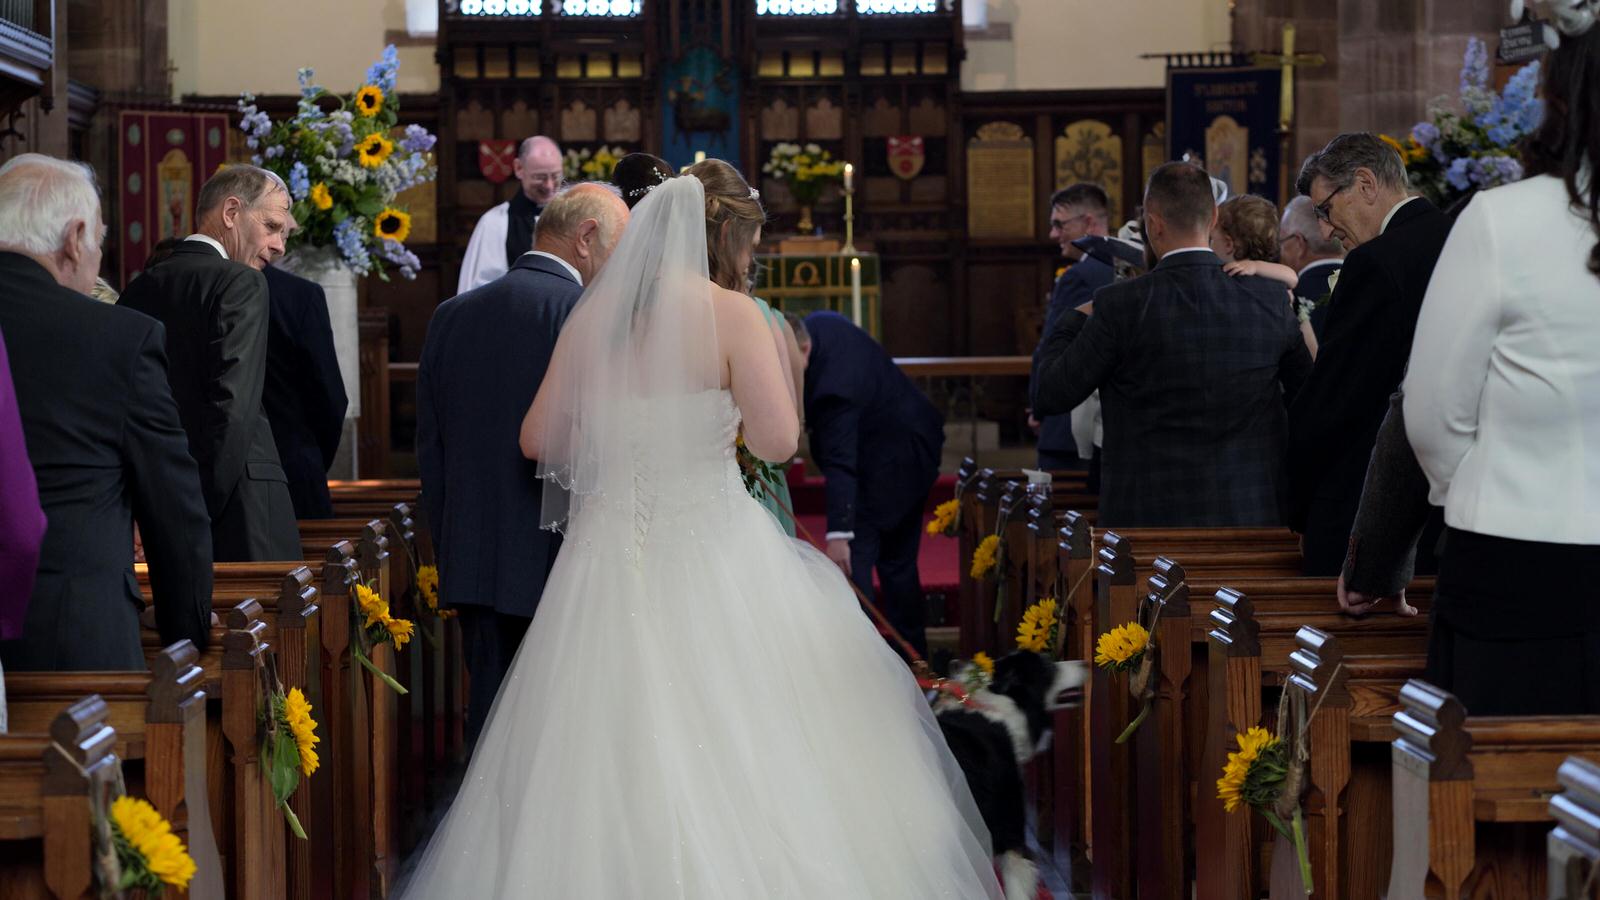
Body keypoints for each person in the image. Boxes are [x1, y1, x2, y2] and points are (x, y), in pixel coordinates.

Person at [396, 161, 1001, 899]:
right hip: (713, 542)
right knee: (753, 733)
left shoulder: (596, 315)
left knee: (589, 740)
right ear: (724, 238)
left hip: (606, 556)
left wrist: (619, 442)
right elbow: (779, 444)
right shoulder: (735, 316)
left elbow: (537, 439)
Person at [1385, 12, 1600, 715]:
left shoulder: (1502, 219)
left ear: (1559, 98)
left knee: (1503, 793)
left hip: (1518, 553)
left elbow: (1433, 410)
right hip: (1518, 556)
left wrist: (1479, 487)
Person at [417, 183, 630, 746]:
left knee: (489, 727)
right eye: (619, 247)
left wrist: (452, 545)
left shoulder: (450, 315)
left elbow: (431, 452)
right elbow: (601, 445)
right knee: (557, 736)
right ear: (586, 238)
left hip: (472, 558)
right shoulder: (585, 315)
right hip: (561, 558)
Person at [0, 154, 212, 671]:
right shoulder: (118, 336)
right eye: (98, 240)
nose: (96, 255)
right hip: (73, 642)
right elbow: (174, 509)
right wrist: (189, 638)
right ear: (74, 238)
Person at [1033, 162, 1312, 527]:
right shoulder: (1270, 300)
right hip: (1248, 517)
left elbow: (1050, 393)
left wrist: (1074, 317)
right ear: (1213, 216)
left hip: (1146, 531)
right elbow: (1309, 399)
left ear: (1153, 223)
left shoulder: (1118, 306)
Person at [1285, 133, 1451, 576]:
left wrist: (1295, 503)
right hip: (1443, 514)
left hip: (1367, 516)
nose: (1325, 229)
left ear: (1365, 184)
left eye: (1325, 209)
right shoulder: (1458, 239)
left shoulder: (1375, 263)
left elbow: (1335, 401)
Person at [120, 165, 301, 562]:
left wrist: (150, 510)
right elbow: (231, 411)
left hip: (153, 505)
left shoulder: (139, 288)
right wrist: (188, 512)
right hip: (236, 513)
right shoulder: (243, 283)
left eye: (284, 234)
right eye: (272, 226)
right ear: (231, 213)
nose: (279, 246)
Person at [796, 311, 945, 656]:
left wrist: (838, 535)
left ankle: (864, 661)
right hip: (912, 444)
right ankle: (912, 657)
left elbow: (840, 462)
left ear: (802, 350)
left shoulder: (833, 388)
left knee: (855, 563)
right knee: (898, 564)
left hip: (893, 463)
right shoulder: (820, 324)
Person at [1029, 183, 1113, 471]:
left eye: (1059, 224)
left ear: (1088, 222)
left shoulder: (1079, 277)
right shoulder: (1127, 263)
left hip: (1069, 428)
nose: (1053, 234)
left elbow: (1053, 345)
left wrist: (1038, 406)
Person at [263, 264, 348, 519]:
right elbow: (330, 398)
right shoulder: (298, 294)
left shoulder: (183, 290)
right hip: (294, 467)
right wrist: (309, 456)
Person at [1212, 194, 1320, 357]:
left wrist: (1255, 267)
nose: (1210, 246)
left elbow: (1292, 277)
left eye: (1212, 239)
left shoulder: (1265, 273)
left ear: (1228, 244)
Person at [457, 135, 564, 292]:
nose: (549, 186)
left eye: (555, 176)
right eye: (540, 177)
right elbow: (479, 291)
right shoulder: (494, 223)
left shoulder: (574, 218)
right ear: (519, 168)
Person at [1278, 195, 1346, 340]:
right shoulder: (1371, 285)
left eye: (1281, 242)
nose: (1280, 251)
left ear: (1299, 244)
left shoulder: (1286, 301)